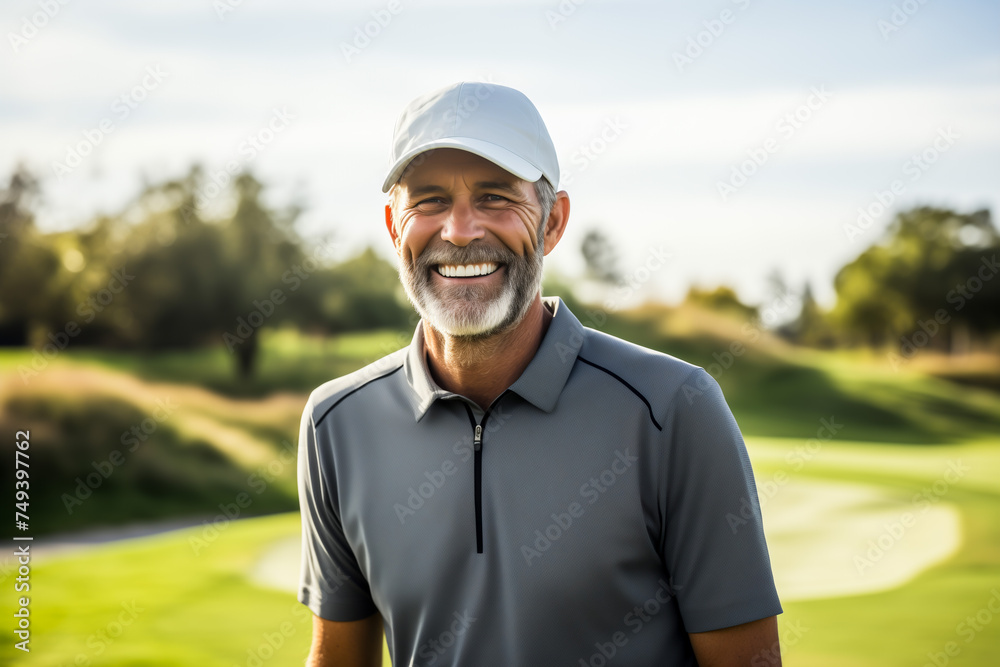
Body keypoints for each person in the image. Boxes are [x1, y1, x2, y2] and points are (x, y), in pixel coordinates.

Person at [297, 81, 783, 666]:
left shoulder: (671, 410)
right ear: (393, 226)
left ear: (553, 222)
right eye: (427, 201)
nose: (459, 230)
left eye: (496, 197)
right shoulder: (335, 424)